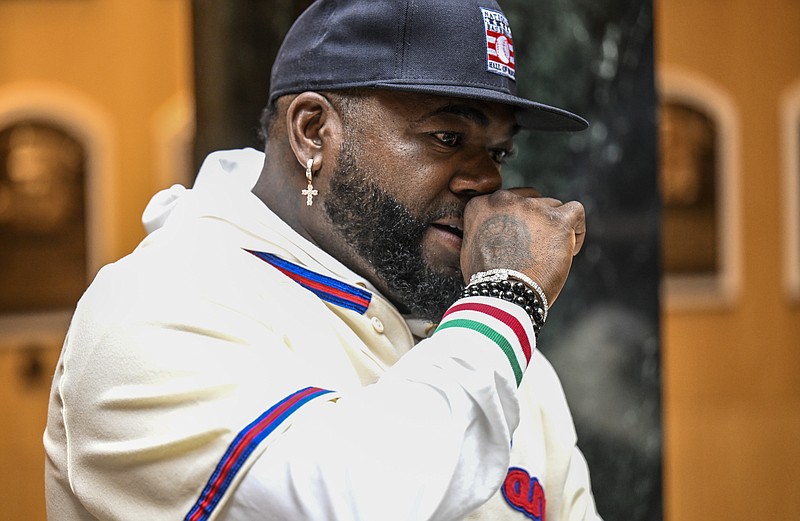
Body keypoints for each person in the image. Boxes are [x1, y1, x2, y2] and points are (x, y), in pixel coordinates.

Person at [44, 0, 603, 519]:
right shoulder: (152, 305)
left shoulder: (490, 339)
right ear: (313, 131)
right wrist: (506, 298)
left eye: (499, 152)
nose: (488, 180)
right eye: (447, 138)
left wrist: (500, 311)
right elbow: (356, 502)